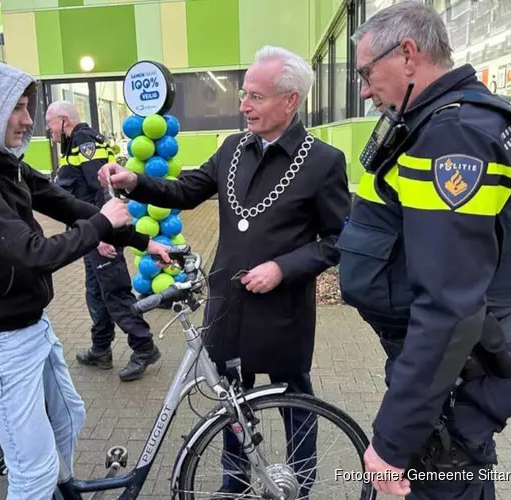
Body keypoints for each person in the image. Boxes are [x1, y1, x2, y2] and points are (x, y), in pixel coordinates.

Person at [99, 45, 352, 498]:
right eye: (244, 94)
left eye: (255, 96)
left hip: (282, 309)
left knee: (296, 401)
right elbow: (186, 189)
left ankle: (300, 485)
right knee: (229, 406)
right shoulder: (234, 147)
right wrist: (136, 181)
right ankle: (232, 485)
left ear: (290, 100)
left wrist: (283, 266)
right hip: (228, 305)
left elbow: (338, 241)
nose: (243, 105)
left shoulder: (323, 161)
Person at [0, 59, 169, 500]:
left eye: (28, 107)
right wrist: (99, 229)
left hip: (26, 324)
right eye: (15, 109)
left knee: (68, 419)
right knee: (33, 473)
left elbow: (61, 202)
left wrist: (137, 239)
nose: (27, 120)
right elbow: (30, 252)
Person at [338, 2, 511, 498]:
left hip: (463, 364)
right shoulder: (442, 121)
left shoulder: (455, 134)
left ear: (408, 54)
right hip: (454, 360)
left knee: (445, 483)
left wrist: (392, 440)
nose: (364, 89)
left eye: (367, 72)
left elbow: (450, 305)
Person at [45, 100, 162, 381]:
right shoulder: (77, 143)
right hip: (91, 232)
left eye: (49, 125)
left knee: (115, 291)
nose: (49, 131)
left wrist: (103, 236)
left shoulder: (84, 141)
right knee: (96, 293)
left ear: (63, 120)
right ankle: (101, 349)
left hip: (100, 234)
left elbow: (103, 191)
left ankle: (144, 346)